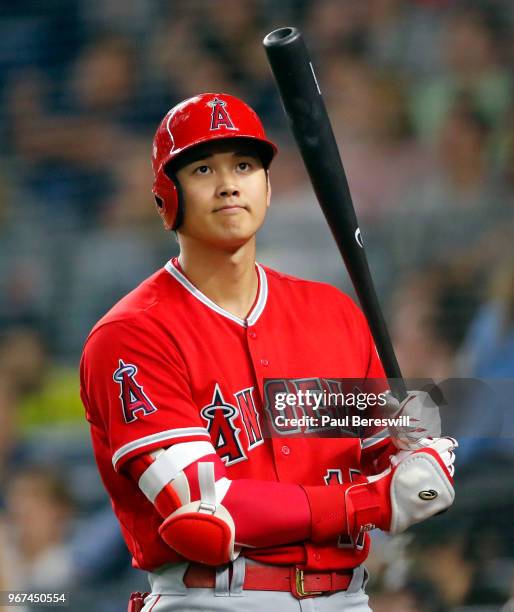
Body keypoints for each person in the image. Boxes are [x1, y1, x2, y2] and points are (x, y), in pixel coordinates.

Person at [79, 93, 457, 612]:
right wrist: (372, 500)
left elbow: (374, 453)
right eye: (203, 168)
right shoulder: (131, 335)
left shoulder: (333, 313)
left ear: (267, 185)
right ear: (166, 194)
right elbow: (200, 505)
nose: (229, 183)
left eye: (244, 164)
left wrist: (416, 450)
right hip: (212, 599)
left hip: (348, 597)